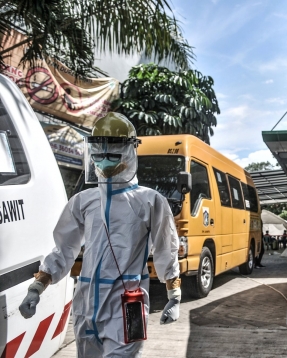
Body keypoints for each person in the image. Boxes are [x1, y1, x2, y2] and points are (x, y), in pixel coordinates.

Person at [18, 113, 181, 357]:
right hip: (86, 305)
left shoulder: (149, 201)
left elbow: (165, 249)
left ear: (129, 153)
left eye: (113, 155)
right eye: (99, 155)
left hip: (128, 304)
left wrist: (174, 294)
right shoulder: (83, 201)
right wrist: (37, 287)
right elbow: (64, 249)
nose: (105, 162)